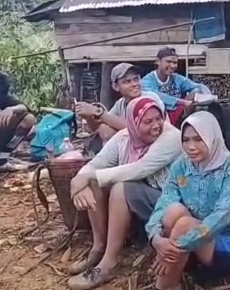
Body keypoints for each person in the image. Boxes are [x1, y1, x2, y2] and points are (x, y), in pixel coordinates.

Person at [67, 95, 183, 290]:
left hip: (172, 204)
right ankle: (98, 248)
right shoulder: (124, 137)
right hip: (145, 199)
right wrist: (79, 182)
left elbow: (139, 169)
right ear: (133, 122)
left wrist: (87, 177)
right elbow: (95, 164)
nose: (156, 125)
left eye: (158, 119)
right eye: (148, 121)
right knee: (97, 182)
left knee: (119, 187)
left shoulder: (172, 137)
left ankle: (107, 263)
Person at [145, 111, 230, 290]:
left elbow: (222, 215)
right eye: (186, 140)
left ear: (212, 137)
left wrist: (175, 247)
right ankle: (176, 272)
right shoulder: (180, 166)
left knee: (184, 225)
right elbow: (165, 202)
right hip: (194, 239)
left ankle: (165, 286)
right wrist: (155, 238)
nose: (191, 146)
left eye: (198, 139)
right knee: (173, 211)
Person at [74, 63, 162, 144]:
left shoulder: (148, 98)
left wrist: (98, 112)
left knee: (109, 133)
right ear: (115, 87)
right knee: (105, 130)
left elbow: (136, 129)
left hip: (156, 144)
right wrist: (88, 116)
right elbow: (97, 128)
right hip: (138, 145)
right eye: (127, 81)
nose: (134, 84)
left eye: (136, 79)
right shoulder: (121, 103)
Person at [142, 47, 212, 126]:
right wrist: (182, 102)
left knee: (198, 90)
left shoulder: (176, 77)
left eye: (175, 63)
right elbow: (156, 96)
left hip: (178, 113)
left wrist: (210, 98)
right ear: (158, 61)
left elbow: (198, 86)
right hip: (160, 116)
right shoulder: (148, 80)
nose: (172, 65)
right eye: (168, 62)